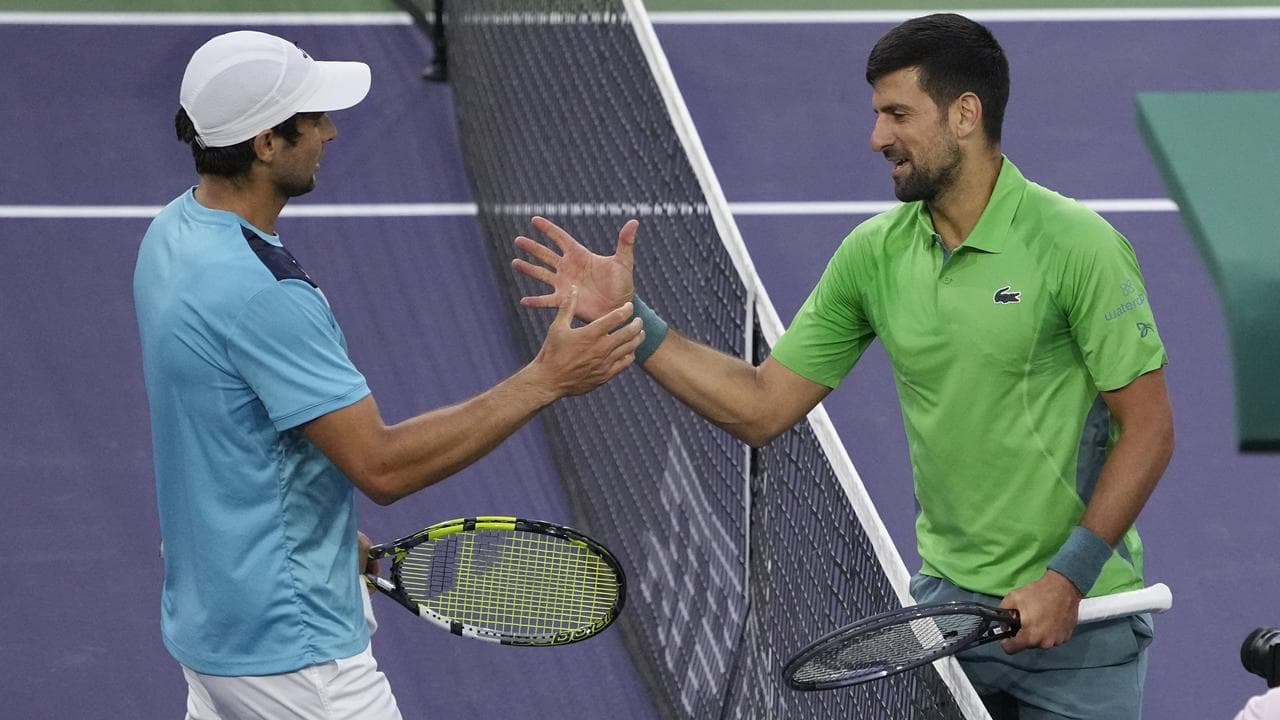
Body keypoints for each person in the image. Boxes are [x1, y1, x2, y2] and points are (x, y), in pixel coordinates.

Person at [512, 13, 1174, 720]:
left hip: (1083, 621)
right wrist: (633, 322)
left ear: (964, 115)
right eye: (876, 115)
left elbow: (1149, 429)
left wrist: (1066, 579)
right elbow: (763, 405)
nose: (877, 137)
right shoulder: (874, 254)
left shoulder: (1078, 246)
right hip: (948, 615)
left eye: (897, 114)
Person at [133, 30, 643, 720]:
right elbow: (382, 467)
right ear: (265, 143)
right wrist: (545, 379)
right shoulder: (265, 295)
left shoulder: (171, 235)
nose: (332, 132)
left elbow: (220, 427)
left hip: (211, 628)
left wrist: (319, 533)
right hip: (298, 657)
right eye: (315, 119)